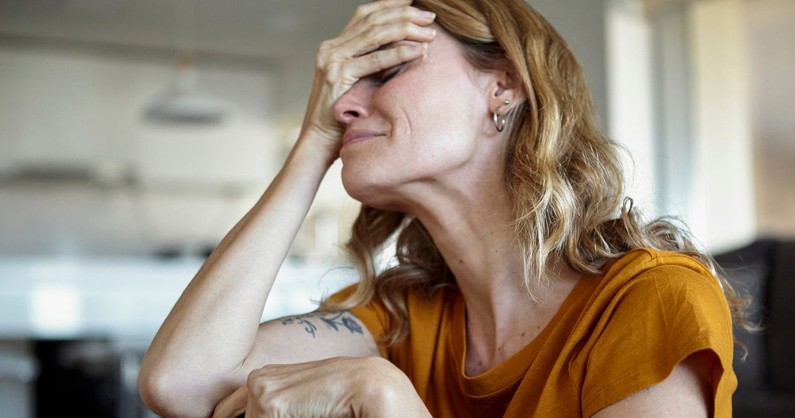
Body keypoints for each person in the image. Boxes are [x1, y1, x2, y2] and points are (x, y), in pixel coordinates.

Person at [138, 0, 745, 416]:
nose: (342, 104)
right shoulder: (401, 321)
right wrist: (314, 145)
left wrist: (392, 405)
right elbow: (180, 383)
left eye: (387, 70)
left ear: (501, 88)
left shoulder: (648, 298)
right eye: (344, 88)